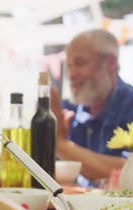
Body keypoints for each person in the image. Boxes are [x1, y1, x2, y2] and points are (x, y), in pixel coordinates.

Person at [51, 29, 133, 184]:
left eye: (80, 63)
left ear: (111, 63)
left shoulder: (130, 107)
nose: (71, 74)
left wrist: (61, 145)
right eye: (69, 66)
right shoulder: (69, 110)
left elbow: (127, 173)